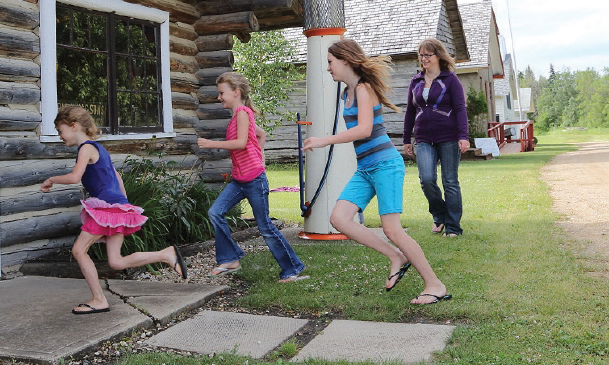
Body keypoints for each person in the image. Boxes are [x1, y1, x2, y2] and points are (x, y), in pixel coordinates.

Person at [302, 39, 450, 305]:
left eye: (330, 62)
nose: (328, 68)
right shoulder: (346, 92)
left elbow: (364, 130)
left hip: (385, 165)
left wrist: (324, 140)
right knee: (340, 218)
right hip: (366, 167)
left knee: (392, 229)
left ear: (345, 60)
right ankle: (395, 256)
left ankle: (435, 284)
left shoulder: (363, 88)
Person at [41, 105, 187, 314]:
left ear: (73, 126)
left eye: (60, 131)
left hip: (106, 210)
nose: (60, 136)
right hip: (116, 208)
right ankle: (166, 254)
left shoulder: (85, 148)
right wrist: (123, 204)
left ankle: (99, 299)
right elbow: (116, 176)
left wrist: (51, 179)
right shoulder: (100, 149)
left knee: (78, 250)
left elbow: (74, 177)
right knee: (116, 261)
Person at [197, 72, 306, 282]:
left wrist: (212, 144)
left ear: (235, 92)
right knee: (215, 212)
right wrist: (258, 156)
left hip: (254, 181)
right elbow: (260, 135)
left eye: (222, 93)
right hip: (240, 180)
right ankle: (230, 259)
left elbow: (240, 143)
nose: (219, 97)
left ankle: (291, 269)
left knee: (265, 227)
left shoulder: (242, 113)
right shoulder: (238, 115)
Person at [402, 38, 470, 238]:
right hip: (423, 137)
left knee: (450, 181)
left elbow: (460, 109)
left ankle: (453, 227)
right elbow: (409, 112)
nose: (423, 59)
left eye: (427, 55)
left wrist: (463, 136)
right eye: (421, 55)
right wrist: (407, 138)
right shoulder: (415, 81)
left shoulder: (450, 80)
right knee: (427, 179)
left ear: (438, 56)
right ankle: (439, 215)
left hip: (449, 136)